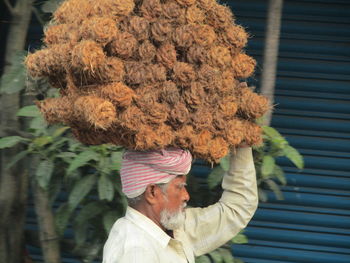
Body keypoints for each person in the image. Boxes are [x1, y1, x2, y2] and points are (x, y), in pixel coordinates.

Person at [103, 146, 258, 263]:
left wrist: (241, 142)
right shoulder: (135, 251)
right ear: (152, 192)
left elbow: (237, 208)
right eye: (179, 187)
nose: (186, 196)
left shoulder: (173, 227)